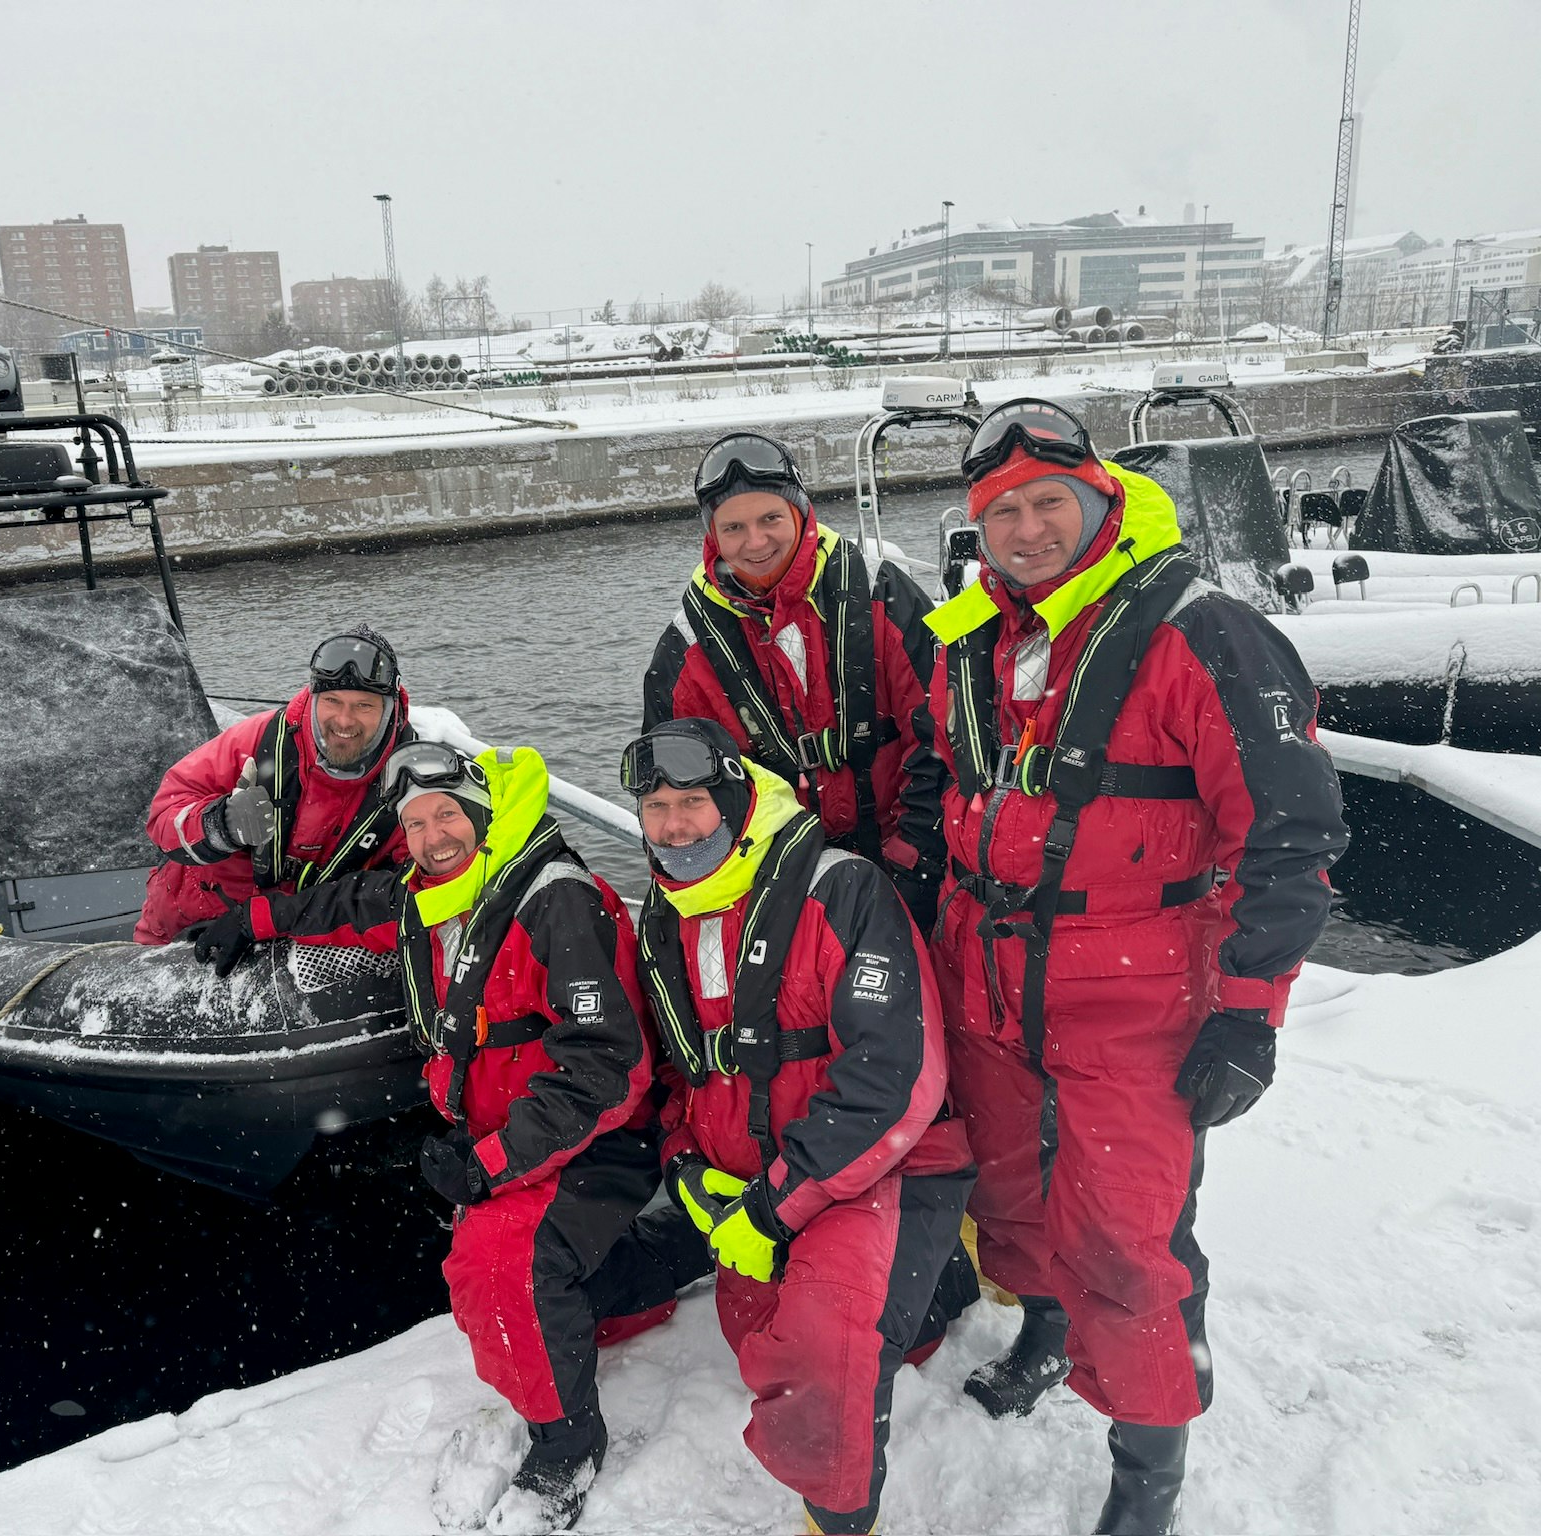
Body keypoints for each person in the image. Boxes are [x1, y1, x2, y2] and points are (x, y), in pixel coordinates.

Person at [923, 399, 1349, 1534]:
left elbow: (1289, 834)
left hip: (1138, 989)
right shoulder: (971, 640)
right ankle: (1049, 1336)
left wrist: (1248, 1014)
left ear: (1101, 499)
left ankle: (1145, 1474)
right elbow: (943, 788)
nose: (1024, 528)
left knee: (1126, 1231)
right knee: (1011, 1199)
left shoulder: (1203, 633)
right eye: (999, 511)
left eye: (1047, 502)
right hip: (987, 973)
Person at [187, 740, 707, 1535]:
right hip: (517, 1135)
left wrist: (489, 1164)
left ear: (484, 816)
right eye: (417, 822)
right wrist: (253, 918)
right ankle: (630, 1285)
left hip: (597, 1139)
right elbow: (347, 904)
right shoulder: (426, 894)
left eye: (448, 816)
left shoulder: (556, 903)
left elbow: (608, 1068)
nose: (432, 837)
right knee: (495, 1290)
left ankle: (567, 1443)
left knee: (497, 1271)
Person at [624, 717, 974, 1536]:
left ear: (737, 800)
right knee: (756, 1335)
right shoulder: (662, 915)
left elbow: (896, 1075)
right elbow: (679, 1069)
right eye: (655, 809)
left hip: (869, 1168)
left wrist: (774, 1207)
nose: (673, 826)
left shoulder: (839, 888)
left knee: (825, 1354)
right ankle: (925, 1296)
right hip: (747, 1176)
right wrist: (685, 1162)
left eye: (692, 803)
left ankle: (840, 1516)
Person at [643, 431, 948, 931]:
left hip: (904, 862)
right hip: (771, 882)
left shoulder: (881, 594)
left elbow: (939, 737)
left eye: (770, 519)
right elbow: (669, 791)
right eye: (734, 527)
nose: (756, 542)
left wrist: (912, 861)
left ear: (802, 514)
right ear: (712, 535)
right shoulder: (686, 647)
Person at [134, 625, 414, 947]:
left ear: (389, 708)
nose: (345, 720)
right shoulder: (258, 739)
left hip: (298, 937)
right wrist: (220, 824)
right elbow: (165, 815)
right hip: (181, 925)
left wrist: (266, 918)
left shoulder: (410, 782)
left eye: (364, 705)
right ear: (313, 698)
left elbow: (407, 893)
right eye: (332, 701)